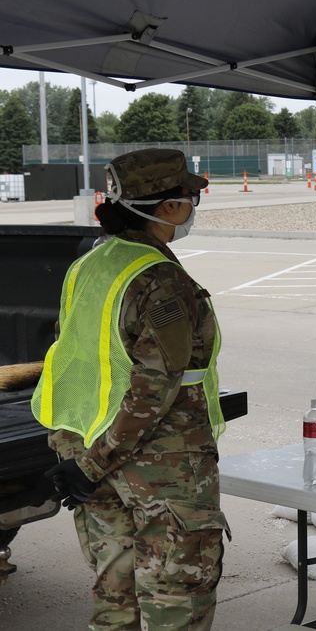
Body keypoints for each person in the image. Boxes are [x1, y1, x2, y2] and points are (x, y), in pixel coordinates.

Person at [31, 148, 228, 630]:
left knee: (114, 600)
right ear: (167, 207)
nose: (193, 205)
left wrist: (82, 462)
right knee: (174, 603)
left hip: (88, 452)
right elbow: (154, 386)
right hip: (158, 469)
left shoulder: (92, 262)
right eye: (189, 195)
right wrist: (95, 462)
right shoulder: (160, 279)